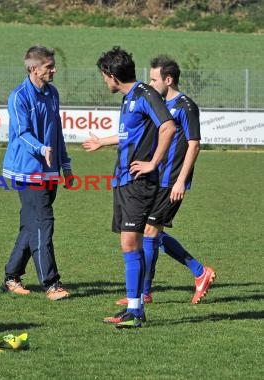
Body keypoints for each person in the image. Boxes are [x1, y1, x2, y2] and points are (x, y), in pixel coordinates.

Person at [83, 46, 176, 328]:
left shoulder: (146, 94)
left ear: (111, 76)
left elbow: (168, 127)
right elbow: (129, 134)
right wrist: (103, 142)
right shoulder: (130, 98)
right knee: (129, 244)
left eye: (104, 76)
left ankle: (136, 310)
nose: (104, 81)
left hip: (138, 182)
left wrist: (152, 163)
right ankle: (134, 308)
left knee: (129, 243)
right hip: (123, 180)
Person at [114, 55, 215, 306]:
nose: (149, 83)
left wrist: (181, 180)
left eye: (154, 79)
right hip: (154, 179)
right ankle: (200, 272)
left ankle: (144, 293)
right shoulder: (156, 104)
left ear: (168, 80)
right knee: (150, 233)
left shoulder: (186, 106)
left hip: (171, 180)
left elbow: (194, 145)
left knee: (149, 232)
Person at [1, 45, 72, 301]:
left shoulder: (52, 93)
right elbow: (21, 133)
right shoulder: (18, 96)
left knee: (31, 226)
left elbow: (58, 132)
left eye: (53, 65)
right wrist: (42, 149)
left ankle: (11, 277)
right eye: (49, 67)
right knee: (43, 223)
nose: (54, 70)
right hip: (26, 172)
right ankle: (52, 284)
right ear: (33, 68)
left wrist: (66, 166)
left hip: (50, 171)